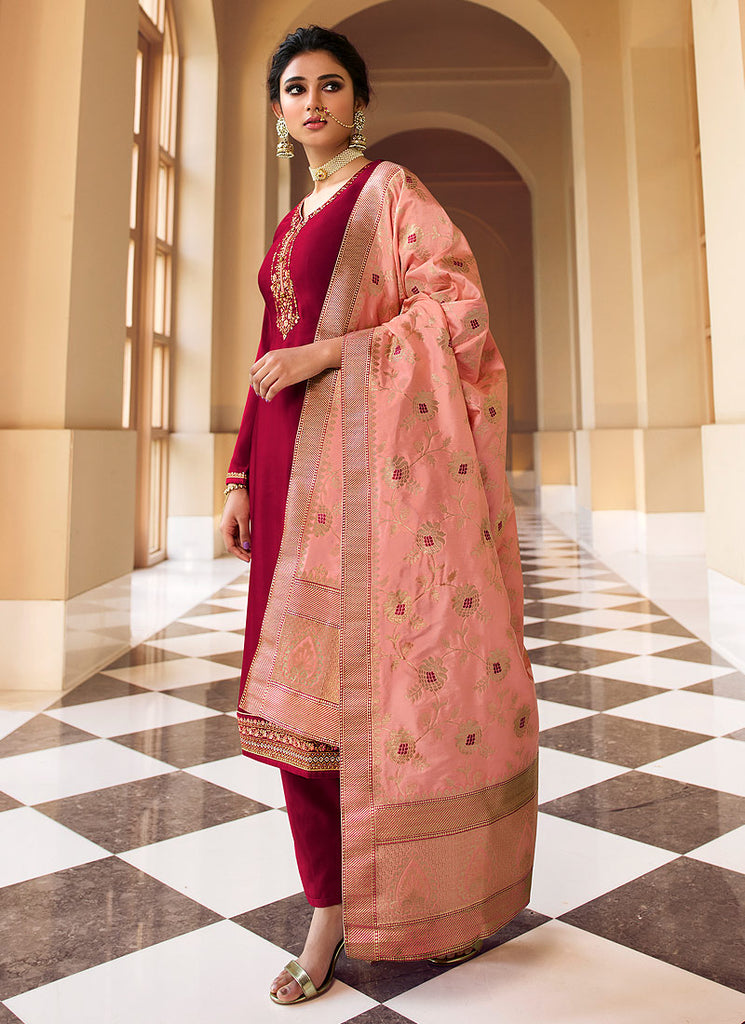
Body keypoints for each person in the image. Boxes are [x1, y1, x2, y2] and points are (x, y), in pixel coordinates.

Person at [219, 25, 538, 1006]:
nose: (310, 101)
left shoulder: (388, 192)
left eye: (330, 85)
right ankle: (327, 903)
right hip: (284, 472)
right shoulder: (290, 219)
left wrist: (329, 357)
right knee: (292, 715)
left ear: (361, 101)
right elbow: (269, 350)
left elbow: (456, 312)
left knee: (375, 701)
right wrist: (237, 474)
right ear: (277, 113)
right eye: (293, 89)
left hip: (367, 485)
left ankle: (376, 902)